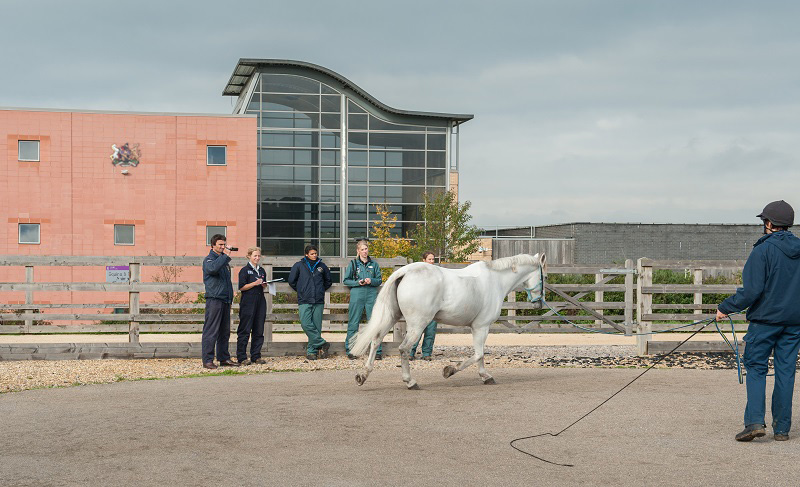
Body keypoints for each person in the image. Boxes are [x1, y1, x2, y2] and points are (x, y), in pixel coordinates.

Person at [717, 200, 800, 442]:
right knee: (786, 371)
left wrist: (725, 308)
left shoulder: (762, 250)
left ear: (770, 223)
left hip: (765, 322)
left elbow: (751, 291)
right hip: (794, 323)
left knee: (756, 367)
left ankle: (754, 421)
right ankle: (782, 430)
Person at [288, 245, 332, 360]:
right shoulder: (299, 265)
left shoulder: (322, 266)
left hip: (318, 300)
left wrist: (320, 290)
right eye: (312, 254)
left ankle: (311, 352)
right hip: (304, 299)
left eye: (315, 253)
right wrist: (302, 290)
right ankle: (322, 343)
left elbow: (328, 281)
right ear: (306, 254)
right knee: (306, 323)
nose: (314, 256)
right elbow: (292, 281)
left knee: (316, 326)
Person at [201, 234, 239, 369]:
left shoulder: (223, 261)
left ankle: (224, 358)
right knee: (211, 331)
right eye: (220, 245)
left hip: (225, 300)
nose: (223, 247)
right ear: (213, 246)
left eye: (224, 245)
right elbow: (213, 269)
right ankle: (207, 360)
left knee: (224, 331)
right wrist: (226, 255)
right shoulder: (209, 260)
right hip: (214, 300)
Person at [344, 240, 383, 360]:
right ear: (358, 251)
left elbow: (379, 280)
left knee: (374, 322)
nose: (365, 251)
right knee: (354, 322)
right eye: (362, 249)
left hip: (371, 294)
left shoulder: (374, 264)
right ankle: (351, 350)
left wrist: (371, 281)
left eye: (366, 249)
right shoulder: (353, 264)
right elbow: (346, 280)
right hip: (357, 294)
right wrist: (357, 282)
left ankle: (377, 350)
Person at [236, 247, 267, 365]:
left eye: (259, 256)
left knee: (259, 329)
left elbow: (264, 284)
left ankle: (256, 355)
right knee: (245, 329)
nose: (257, 258)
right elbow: (242, 287)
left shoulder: (262, 270)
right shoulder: (244, 270)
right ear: (249, 256)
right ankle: (242, 357)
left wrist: (264, 285)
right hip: (248, 301)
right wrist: (254, 283)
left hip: (260, 300)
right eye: (255, 256)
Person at [409, 251, 438, 361]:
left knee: (430, 331)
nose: (431, 261)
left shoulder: (436, 273)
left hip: (433, 306)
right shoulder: (418, 273)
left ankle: (426, 353)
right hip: (420, 306)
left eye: (433, 259)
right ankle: (411, 352)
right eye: (429, 259)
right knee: (417, 329)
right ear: (424, 260)